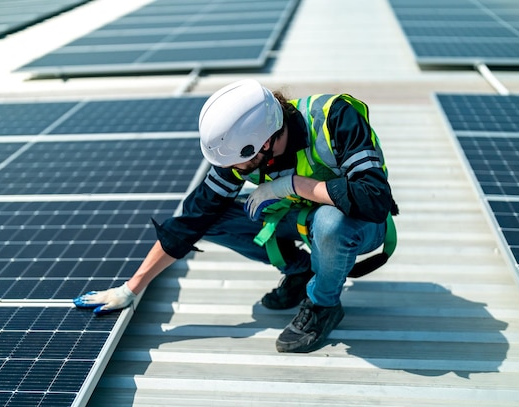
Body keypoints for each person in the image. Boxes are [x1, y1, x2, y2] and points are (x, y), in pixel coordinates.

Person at [74, 79, 398, 353]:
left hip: (358, 221)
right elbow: (192, 219)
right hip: (302, 218)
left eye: (238, 164)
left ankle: (323, 305)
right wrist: (131, 289)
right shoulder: (243, 150)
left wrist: (292, 184)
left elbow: (374, 201)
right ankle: (300, 271)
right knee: (211, 220)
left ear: (267, 142)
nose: (232, 171)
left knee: (331, 224)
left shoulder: (335, 118)